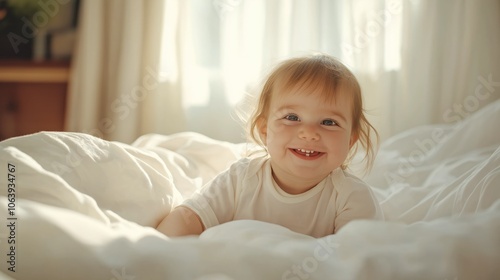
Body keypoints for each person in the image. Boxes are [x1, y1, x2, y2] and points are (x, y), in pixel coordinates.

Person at [156, 54, 383, 238]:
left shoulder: (352, 197)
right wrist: (159, 251)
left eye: (329, 122)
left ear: (351, 139)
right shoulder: (241, 179)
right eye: (292, 117)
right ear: (265, 130)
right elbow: (188, 217)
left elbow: (360, 260)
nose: (309, 133)